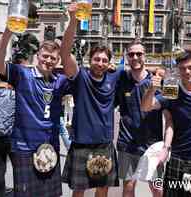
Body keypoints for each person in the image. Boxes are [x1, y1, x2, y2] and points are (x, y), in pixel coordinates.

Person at [0, 27, 70, 197]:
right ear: (37, 56)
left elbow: (77, 76)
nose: (48, 61)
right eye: (45, 56)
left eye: (53, 58)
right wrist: (6, 34)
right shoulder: (22, 73)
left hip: (50, 148)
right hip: (24, 148)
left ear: (57, 61)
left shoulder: (61, 81)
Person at [60, 3, 124, 197]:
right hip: (82, 142)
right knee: (79, 189)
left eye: (105, 60)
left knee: (102, 188)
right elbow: (64, 54)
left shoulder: (115, 76)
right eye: (97, 59)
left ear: (109, 62)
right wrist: (72, 20)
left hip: (104, 143)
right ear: (90, 60)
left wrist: (160, 72)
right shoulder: (81, 77)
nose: (101, 63)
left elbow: (138, 74)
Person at [142, 53, 191, 196]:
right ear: (178, 70)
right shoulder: (173, 89)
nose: (187, 72)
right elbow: (146, 107)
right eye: (183, 68)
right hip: (179, 157)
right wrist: (152, 88)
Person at [115, 39, 165, 197]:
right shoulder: (121, 78)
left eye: (139, 54)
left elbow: (172, 108)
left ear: (145, 56)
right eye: (131, 54)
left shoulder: (158, 80)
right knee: (129, 186)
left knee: (157, 188)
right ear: (127, 57)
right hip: (127, 142)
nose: (135, 57)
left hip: (152, 144)